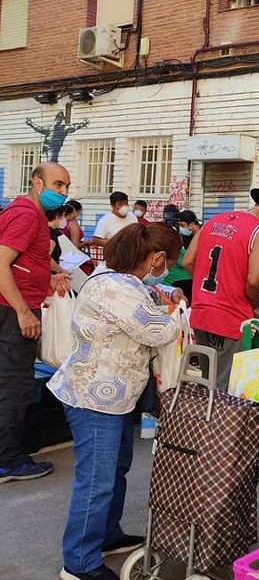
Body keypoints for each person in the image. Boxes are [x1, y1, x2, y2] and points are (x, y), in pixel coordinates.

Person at [49, 223, 183, 580]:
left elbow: (147, 295)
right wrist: (176, 313)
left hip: (114, 397)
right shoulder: (116, 287)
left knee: (115, 468)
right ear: (155, 258)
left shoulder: (118, 277)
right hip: (95, 399)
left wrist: (168, 292)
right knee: (97, 480)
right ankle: (79, 563)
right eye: (168, 263)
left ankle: (106, 535)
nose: (166, 270)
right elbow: (159, 329)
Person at [0, 162, 71, 484]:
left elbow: (20, 268)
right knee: (15, 386)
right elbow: (1, 265)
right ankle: (9, 460)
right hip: (13, 314)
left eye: (67, 186)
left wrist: (49, 281)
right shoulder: (27, 215)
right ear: (37, 183)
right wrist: (23, 311)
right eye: (58, 185)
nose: (64, 193)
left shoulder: (24, 212)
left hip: (15, 307)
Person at [183, 188, 259, 389]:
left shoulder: (213, 221)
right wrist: (256, 307)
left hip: (201, 312)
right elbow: (254, 280)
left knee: (207, 381)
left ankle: (205, 420)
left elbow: (187, 261)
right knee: (228, 386)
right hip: (231, 316)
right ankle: (222, 421)